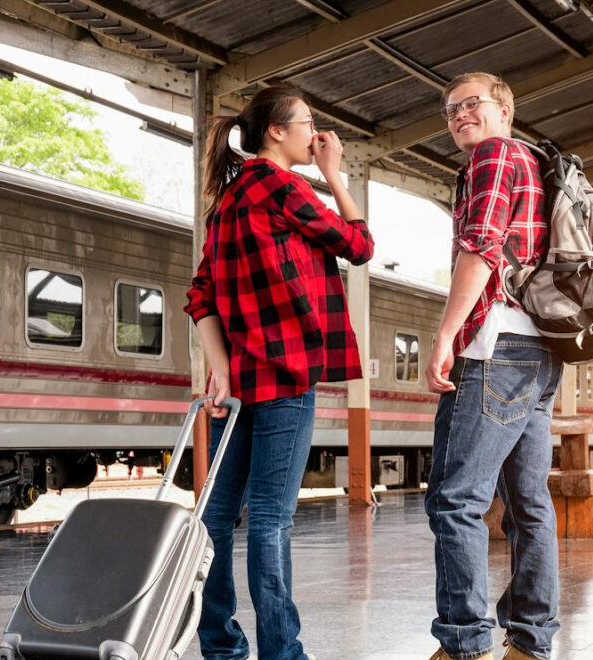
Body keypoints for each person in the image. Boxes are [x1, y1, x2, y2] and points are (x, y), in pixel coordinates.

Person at [184, 85, 374, 660]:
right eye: (308, 124)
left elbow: (200, 294)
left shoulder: (229, 199)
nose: (314, 134)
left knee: (216, 520)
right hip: (286, 380)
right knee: (270, 522)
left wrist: (219, 370)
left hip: (238, 388)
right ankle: (281, 654)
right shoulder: (285, 187)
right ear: (277, 132)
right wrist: (334, 174)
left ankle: (220, 647)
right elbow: (359, 245)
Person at [423, 72, 562, 660]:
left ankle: (463, 644)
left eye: (472, 104)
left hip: (495, 345)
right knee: (530, 506)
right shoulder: (532, 160)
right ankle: (530, 642)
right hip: (539, 350)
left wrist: (446, 335)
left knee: (455, 500)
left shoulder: (495, 155)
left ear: (505, 108)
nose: (460, 116)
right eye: (452, 110)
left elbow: (481, 245)